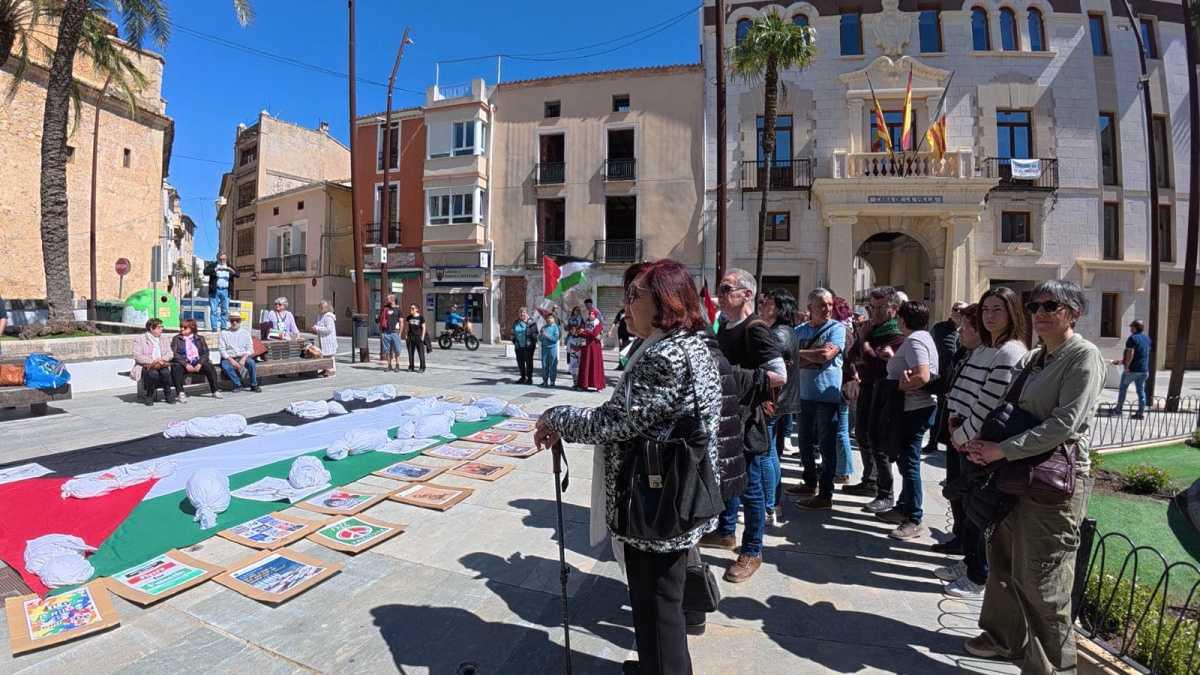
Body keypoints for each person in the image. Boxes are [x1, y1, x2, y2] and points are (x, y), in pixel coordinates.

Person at [533, 259, 722, 675]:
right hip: (671, 496)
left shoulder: (666, 355)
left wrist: (555, 417)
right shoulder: (687, 342)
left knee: (657, 612)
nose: (627, 304)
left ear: (664, 302)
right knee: (659, 610)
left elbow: (614, 422)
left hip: (656, 503)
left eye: (635, 295)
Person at [962, 280, 1104, 672]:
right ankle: (1002, 638)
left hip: (1053, 482)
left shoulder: (1083, 357)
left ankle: (1053, 667)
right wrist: (983, 442)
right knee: (1003, 560)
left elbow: (1064, 425)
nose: (1040, 312)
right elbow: (1010, 411)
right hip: (1017, 473)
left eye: (1050, 305)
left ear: (1073, 313)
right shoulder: (1037, 357)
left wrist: (1001, 449)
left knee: (1044, 579)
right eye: (1035, 305)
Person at [939, 288, 1029, 598]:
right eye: (986, 310)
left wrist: (963, 437)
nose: (989, 316)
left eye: (998, 310)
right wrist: (955, 428)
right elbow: (962, 391)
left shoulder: (1009, 352)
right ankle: (969, 564)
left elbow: (989, 403)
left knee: (978, 514)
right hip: (963, 438)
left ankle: (978, 576)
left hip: (978, 444)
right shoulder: (983, 348)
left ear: (1012, 314)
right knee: (965, 507)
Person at [701, 268, 786, 584]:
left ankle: (752, 549)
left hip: (748, 422)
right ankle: (725, 533)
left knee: (750, 488)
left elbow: (779, 375)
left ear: (747, 294)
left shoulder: (756, 329)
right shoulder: (725, 325)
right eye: (721, 289)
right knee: (728, 479)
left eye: (726, 289)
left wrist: (731, 375)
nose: (720, 295)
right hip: (727, 418)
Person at [874, 301, 939, 540]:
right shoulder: (923, 337)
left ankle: (913, 517)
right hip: (914, 408)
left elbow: (922, 375)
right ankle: (903, 507)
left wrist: (896, 387)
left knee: (908, 462)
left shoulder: (914, 340)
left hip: (914, 408)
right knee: (904, 459)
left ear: (902, 320)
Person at [842, 287, 906, 508]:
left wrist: (865, 343)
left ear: (893, 309)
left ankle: (885, 492)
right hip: (866, 388)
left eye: (881, 308)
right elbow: (851, 355)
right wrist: (852, 374)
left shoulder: (897, 334)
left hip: (885, 392)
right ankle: (869, 480)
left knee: (878, 442)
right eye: (872, 308)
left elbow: (878, 363)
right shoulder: (869, 329)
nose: (875, 313)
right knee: (862, 436)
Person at [791, 288, 848, 512]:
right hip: (804, 395)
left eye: (830, 305)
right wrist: (810, 355)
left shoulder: (837, 329)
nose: (827, 309)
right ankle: (809, 483)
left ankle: (825, 494)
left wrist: (801, 355)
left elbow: (826, 355)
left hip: (827, 396)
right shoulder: (799, 330)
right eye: (822, 305)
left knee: (826, 446)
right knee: (804, 442)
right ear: (810, 307)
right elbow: (788, 358)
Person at [759, 288, 798, 526]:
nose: (763, 304)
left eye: (768, 302)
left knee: (765, 453)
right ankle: (774, 502)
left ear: (780, 308)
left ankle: (769, 505)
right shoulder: (784, 331)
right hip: (779, 401)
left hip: (774, 401)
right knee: (770, 451)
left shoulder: (778, 334)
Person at [925, 301, 966, 454]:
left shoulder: (969, 330)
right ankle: (932, 442)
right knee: (940, 411)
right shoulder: (940, 329)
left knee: (955, 413)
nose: (958, 312)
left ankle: (953, 444)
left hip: (961, 380)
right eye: (955, 309)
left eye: (962, 310)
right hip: (943, 379)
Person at [830, 296, 856, 483]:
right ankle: (840, 467)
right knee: (839, 428)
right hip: (843, 384)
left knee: (840, 429)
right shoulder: (845, 328)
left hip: (843, 385)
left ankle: (843, 470)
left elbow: (848, 359)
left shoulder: (842, 330)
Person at [171, 319, 222, 400]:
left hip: (197, 363)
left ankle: (215, 390)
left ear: (192, 328)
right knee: (176, 367)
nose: (181, 329)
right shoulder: (176, 339)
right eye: (181, 327)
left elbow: (205, 353)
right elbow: (175, 354)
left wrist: (200, 363)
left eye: (185, 327)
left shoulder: (200, 338)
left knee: (209, 366)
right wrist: (186, 364)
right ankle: (180, 393)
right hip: (184, 364)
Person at [130, 318, 178, 404]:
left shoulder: (164, 338)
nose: (162, 329)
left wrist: (162, 359)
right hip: (146, 365)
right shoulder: (140, 339)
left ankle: (168, 395)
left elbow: (170, 353)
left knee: (165, 373)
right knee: (153, 374)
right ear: (151, 328)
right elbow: (137, 356)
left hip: (162, 363)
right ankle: (149, 395)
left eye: (162, 327)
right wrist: (153, 361)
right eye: (159, 327)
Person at [1112, 320, 1151, 419]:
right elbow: (1141, 354)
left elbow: (1131, 354)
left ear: (1135, 327)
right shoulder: (1147, 339)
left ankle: (1118, 410)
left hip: (1132, 370)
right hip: (1144, 370)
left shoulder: (1132, 339)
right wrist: (1122, 361)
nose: (1130, 329)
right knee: (1141, 391)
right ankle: (1140, 413)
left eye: (1131, 327)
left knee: (1123, 389)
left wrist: (1126, 367)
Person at [218, 314, 261, 392]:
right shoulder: (224, 333)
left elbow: (250, 348)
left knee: (251, 363)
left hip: (242, 356)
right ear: (229, 322)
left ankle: (254, 384)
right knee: (226, 366)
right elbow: (222, 350)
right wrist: (232, 360)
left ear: (240, 321)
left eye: (237, 320)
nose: (234, 322)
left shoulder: (245, 333)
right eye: (232, 321)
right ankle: (238, 384)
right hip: (229, 357)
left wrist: (244, 359)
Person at [205, 253, 238, 331]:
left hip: (226, 291)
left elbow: (237, 274)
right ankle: (214, 328)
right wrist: (215, 269)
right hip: (215, 291)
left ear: (226, 259)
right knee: (213, 310)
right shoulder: (214, 265)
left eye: (224, 259)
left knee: (225, 310)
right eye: (221, 259)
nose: (222, 260)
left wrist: (231, 270)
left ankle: (223, 327)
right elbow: (205, 272)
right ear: (218, 259)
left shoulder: (229, 266)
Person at [576, 307, 606, 391]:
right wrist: (582, 332)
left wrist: (585, 332)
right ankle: (583, 385)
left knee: (595, 365)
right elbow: (580, 333)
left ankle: (598, 385)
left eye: (591, 313)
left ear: (595, 315)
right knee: (585, 365)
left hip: (595, 348)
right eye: (589, 313)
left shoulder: (598, 324)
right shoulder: (585, 323)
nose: (589, 315)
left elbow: (594, 334)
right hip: (586, 347)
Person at [511, 308, 538, 384]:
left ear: (526, 313)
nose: (522, 314)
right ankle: (523, 377)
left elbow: (535, 333)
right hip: (518, 346)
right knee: (520, 362)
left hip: (528, 346)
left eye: (523, 312)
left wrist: (532, 342)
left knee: (529, 362)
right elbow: (513, 332)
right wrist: (514, 341)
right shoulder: (516, 322)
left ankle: (529, 378)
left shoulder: (531, 322)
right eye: (520, 312)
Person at [312, 300, 338, 377]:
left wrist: (317, 328)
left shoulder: (329, 316)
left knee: (330, 355)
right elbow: (319, 325)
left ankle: (332, 370)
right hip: (322, 339)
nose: (321, 308)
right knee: (324, 355)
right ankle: (325, 369)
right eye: (320, 307)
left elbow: (328, 329)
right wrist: (315, 329)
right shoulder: (320, 316)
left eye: (322, 307)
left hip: (328, 339)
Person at [378, 295, 402, 372]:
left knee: (397, 350)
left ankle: (397, 365)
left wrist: (400, 333)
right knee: (387, 350)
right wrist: (382, 332)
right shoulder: (385, 309)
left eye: (388, 299)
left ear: (392, 300)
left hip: (395, 332)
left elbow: (401, 321)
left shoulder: (398, 309)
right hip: (386, 332)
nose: (386, 300)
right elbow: (381, 319)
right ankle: (389, 365)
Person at [401, 304, 427, 373]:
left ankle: (422, 367)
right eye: (410, 308)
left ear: (416, 309)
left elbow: (424, 328)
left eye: (412, 308)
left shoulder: (421, 317)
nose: (411, 310)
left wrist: (422, 337)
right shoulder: (409, 317)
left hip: (418, 337)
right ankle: (411, 366)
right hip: (410, 337)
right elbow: (406, 327)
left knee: (420, 353)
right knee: (410, 353)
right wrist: (406, 335)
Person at [539, 313, 561, 387]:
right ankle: (545, 380)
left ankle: (552, 381)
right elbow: (540, 339)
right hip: (544, 349)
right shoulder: (544, 327)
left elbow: (555, 339)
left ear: (554, 319)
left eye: (551, 318)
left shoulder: (555, 328)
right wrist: (541, 335)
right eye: (548, 318)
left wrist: (547, 336)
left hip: (552, 349)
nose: (549, 319)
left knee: (552, 365)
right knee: (544, 365)